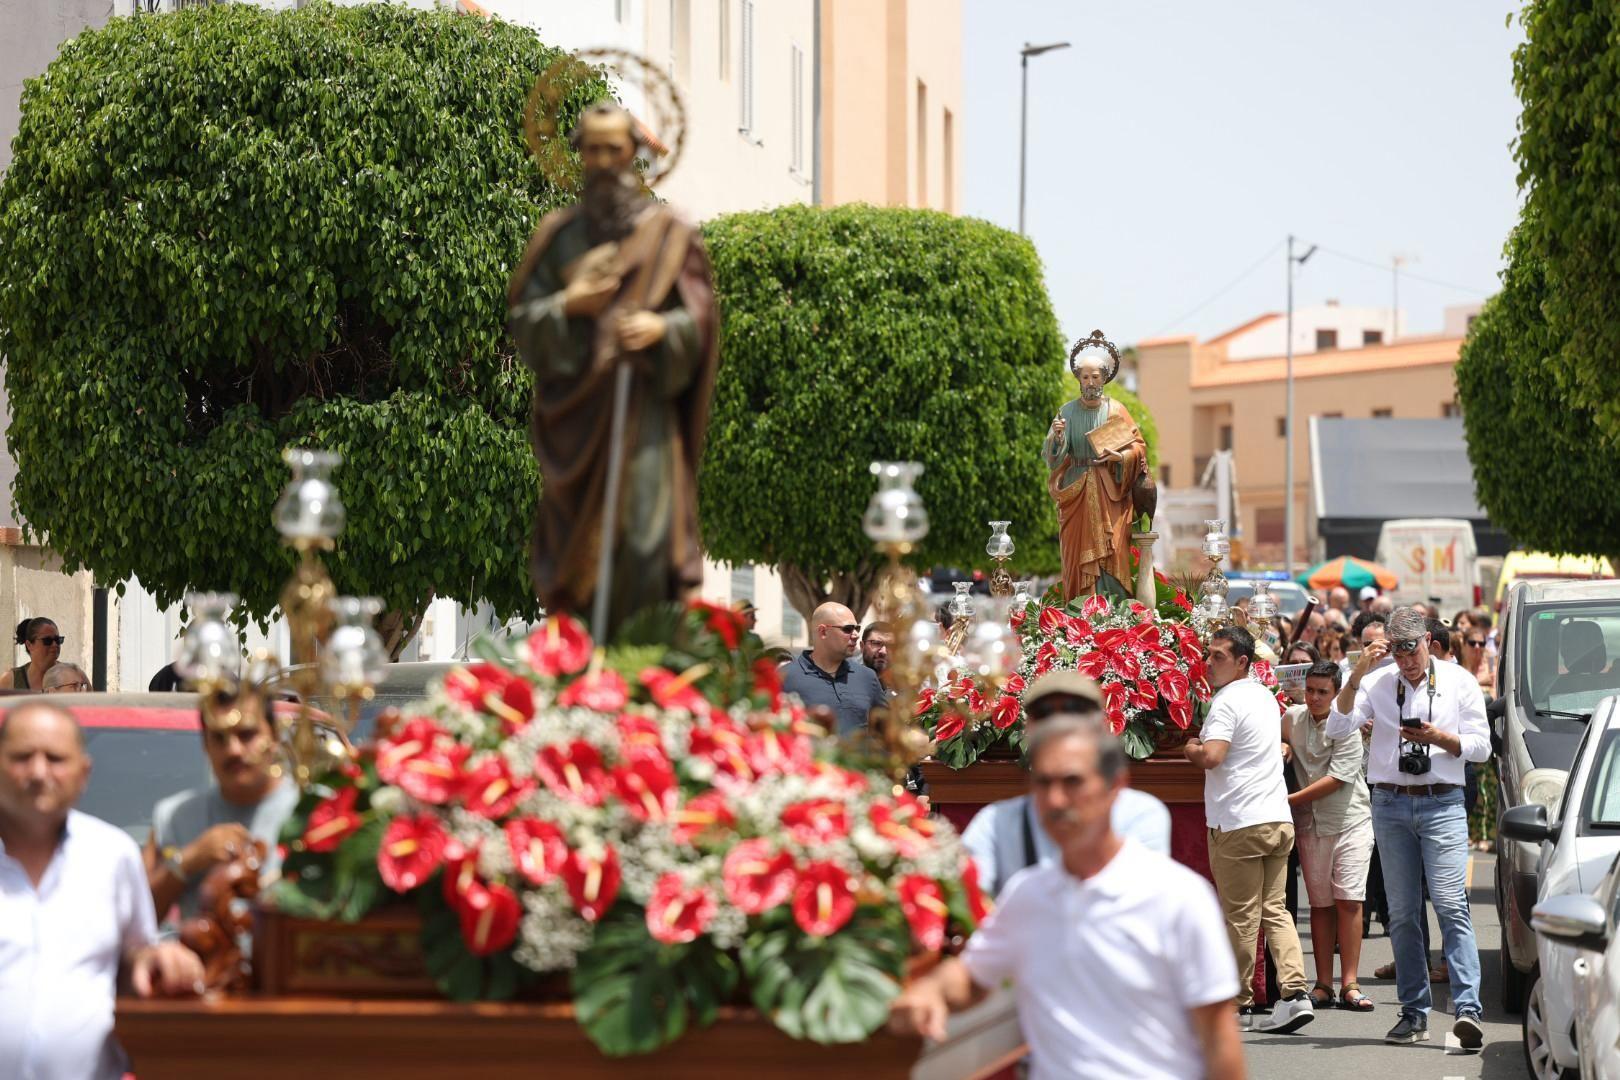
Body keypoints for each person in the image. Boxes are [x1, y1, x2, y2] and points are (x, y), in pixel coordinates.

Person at [889, 714, 1245, 1079]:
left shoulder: (1178, 897)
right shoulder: (1028, 895)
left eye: (1072, 782)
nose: (1056, 800)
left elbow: (1219, 1040)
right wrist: (929, 990)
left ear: (1115, 787)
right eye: (1044, 784)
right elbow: (971, 976)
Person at [508, 100, 720, 640]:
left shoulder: (669, 235)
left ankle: (643, 666)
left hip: (644, 412)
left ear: (634, 154)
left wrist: (661, 329)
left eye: (614, 150)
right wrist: (567, 306)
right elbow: (525, 319)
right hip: (577, 418)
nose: (604, 161)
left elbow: (699, 319)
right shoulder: (560, 235)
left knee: (645, 541)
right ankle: (581, 662)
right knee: (573, 553)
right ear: (579, 154)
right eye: (593, 149)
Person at [0, 700, 204, 1078]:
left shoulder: (112, 856)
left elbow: (135, 957)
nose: (38, 771)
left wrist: (155, 960)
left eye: (56, 758)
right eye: (22, 756)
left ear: (84, 772)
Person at [1327, 607, 1489, 1048]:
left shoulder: (1458, 681)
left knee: (1451, 904)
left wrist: (1441, 739)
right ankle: (1414, 1013)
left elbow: (1481, 748)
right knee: (1401, 913)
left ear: (1428, 642)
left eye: (1411, 649)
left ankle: (1468, 1009)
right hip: (1391, 805)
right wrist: (1358, 671)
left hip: (1442, 803)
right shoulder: (1378, 681)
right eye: (1396, 651)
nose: (1405, 660)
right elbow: (1337, 724)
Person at [1184, 626, 1314, 1034]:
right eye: (1209, 654)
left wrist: (1191, 748)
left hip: (1240, 821)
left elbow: (1212, 756)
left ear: (1242, 661)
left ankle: (1238, 1004)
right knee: (1274, 911)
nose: (1209, 662)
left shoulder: (1226, 701)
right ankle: (1294, 994)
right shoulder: (1262, 694)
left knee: (1241, 917)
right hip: (1275, 819)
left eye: (1218, 656)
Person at [963, 670, 1172, 895]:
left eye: (1074, 711)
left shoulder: (1140, 814)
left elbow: (1144, 899)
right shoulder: (995, 823)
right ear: (1027, 729)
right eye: (1044, 714)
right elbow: (966, 902)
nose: (1058, 723)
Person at [144, 696, 299, 921]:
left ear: (274, 737)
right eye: (219, 737)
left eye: (246, 735)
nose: (233, 750)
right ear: (205, 744)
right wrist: (189, 859)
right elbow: (139, 920)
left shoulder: (316, 811)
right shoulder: (175, 816)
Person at [1284, 661, 1375, 1012]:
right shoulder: (1292, 718)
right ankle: (1322, 984)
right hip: (1311, 825)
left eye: (1323, 691)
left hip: (1349, 820)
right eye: (1310, 690)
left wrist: (1287, 801)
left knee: (1349, 900)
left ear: (1336, 692)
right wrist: (1283, 746)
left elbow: (1338, 778)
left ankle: (1350, 983)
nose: (1315, 697)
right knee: (1320, 904)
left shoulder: (1346, 724)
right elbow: (1275, 733)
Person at [1044, 342, 1147, 601]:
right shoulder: (1066, 412)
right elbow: (1052, 458)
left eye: (1095, 376)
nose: (1090, 382)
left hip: (1110, 488)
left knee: (1114, 550)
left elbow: (1138, 447)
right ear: (1079, 379)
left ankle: (1115, 608)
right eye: (1085, 377)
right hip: (1075, 489)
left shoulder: (1116, 410)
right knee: (1074, 551)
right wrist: (1057, 438)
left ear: (1104, 378)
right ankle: (1079, 605)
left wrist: (1120, 456)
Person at [780, 602, 887, 736]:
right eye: (847, 629)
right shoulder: (784, 677)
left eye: (857, 628)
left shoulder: (867, 677)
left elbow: (888, 731)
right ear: (823, 631)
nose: (855, 635)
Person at [2, 616, 63, 691]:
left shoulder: (71, 676)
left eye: (57, 640)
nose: (54, 644)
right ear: (29, 645)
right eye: (47, 640)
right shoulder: (11, 680)